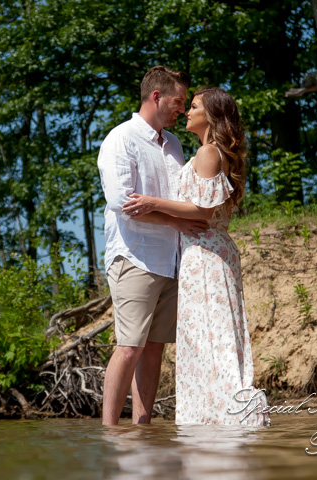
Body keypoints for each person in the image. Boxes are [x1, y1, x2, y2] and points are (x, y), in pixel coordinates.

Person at [122, 87, 269, 426]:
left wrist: (152, 202)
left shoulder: (208, 153)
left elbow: (203, 211)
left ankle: (226, 415)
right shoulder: (211, 153)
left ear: (213, 116)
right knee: (208, 337)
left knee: (211, 337)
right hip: (203, 252)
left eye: (194, 106)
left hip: (206, 254)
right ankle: (216, 416)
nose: (186, 111)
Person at [97, 66, 209, 425]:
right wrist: (175, 221)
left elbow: (176, 197)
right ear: (156, 97)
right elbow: (122, 204)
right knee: (129, 347)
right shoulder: (121, 138)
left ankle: (142, 427)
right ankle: (109, 433)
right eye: (178, 102)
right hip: (134, 255)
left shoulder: (174, 144)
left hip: (171, 259)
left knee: (154, 348)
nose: (182, 109)